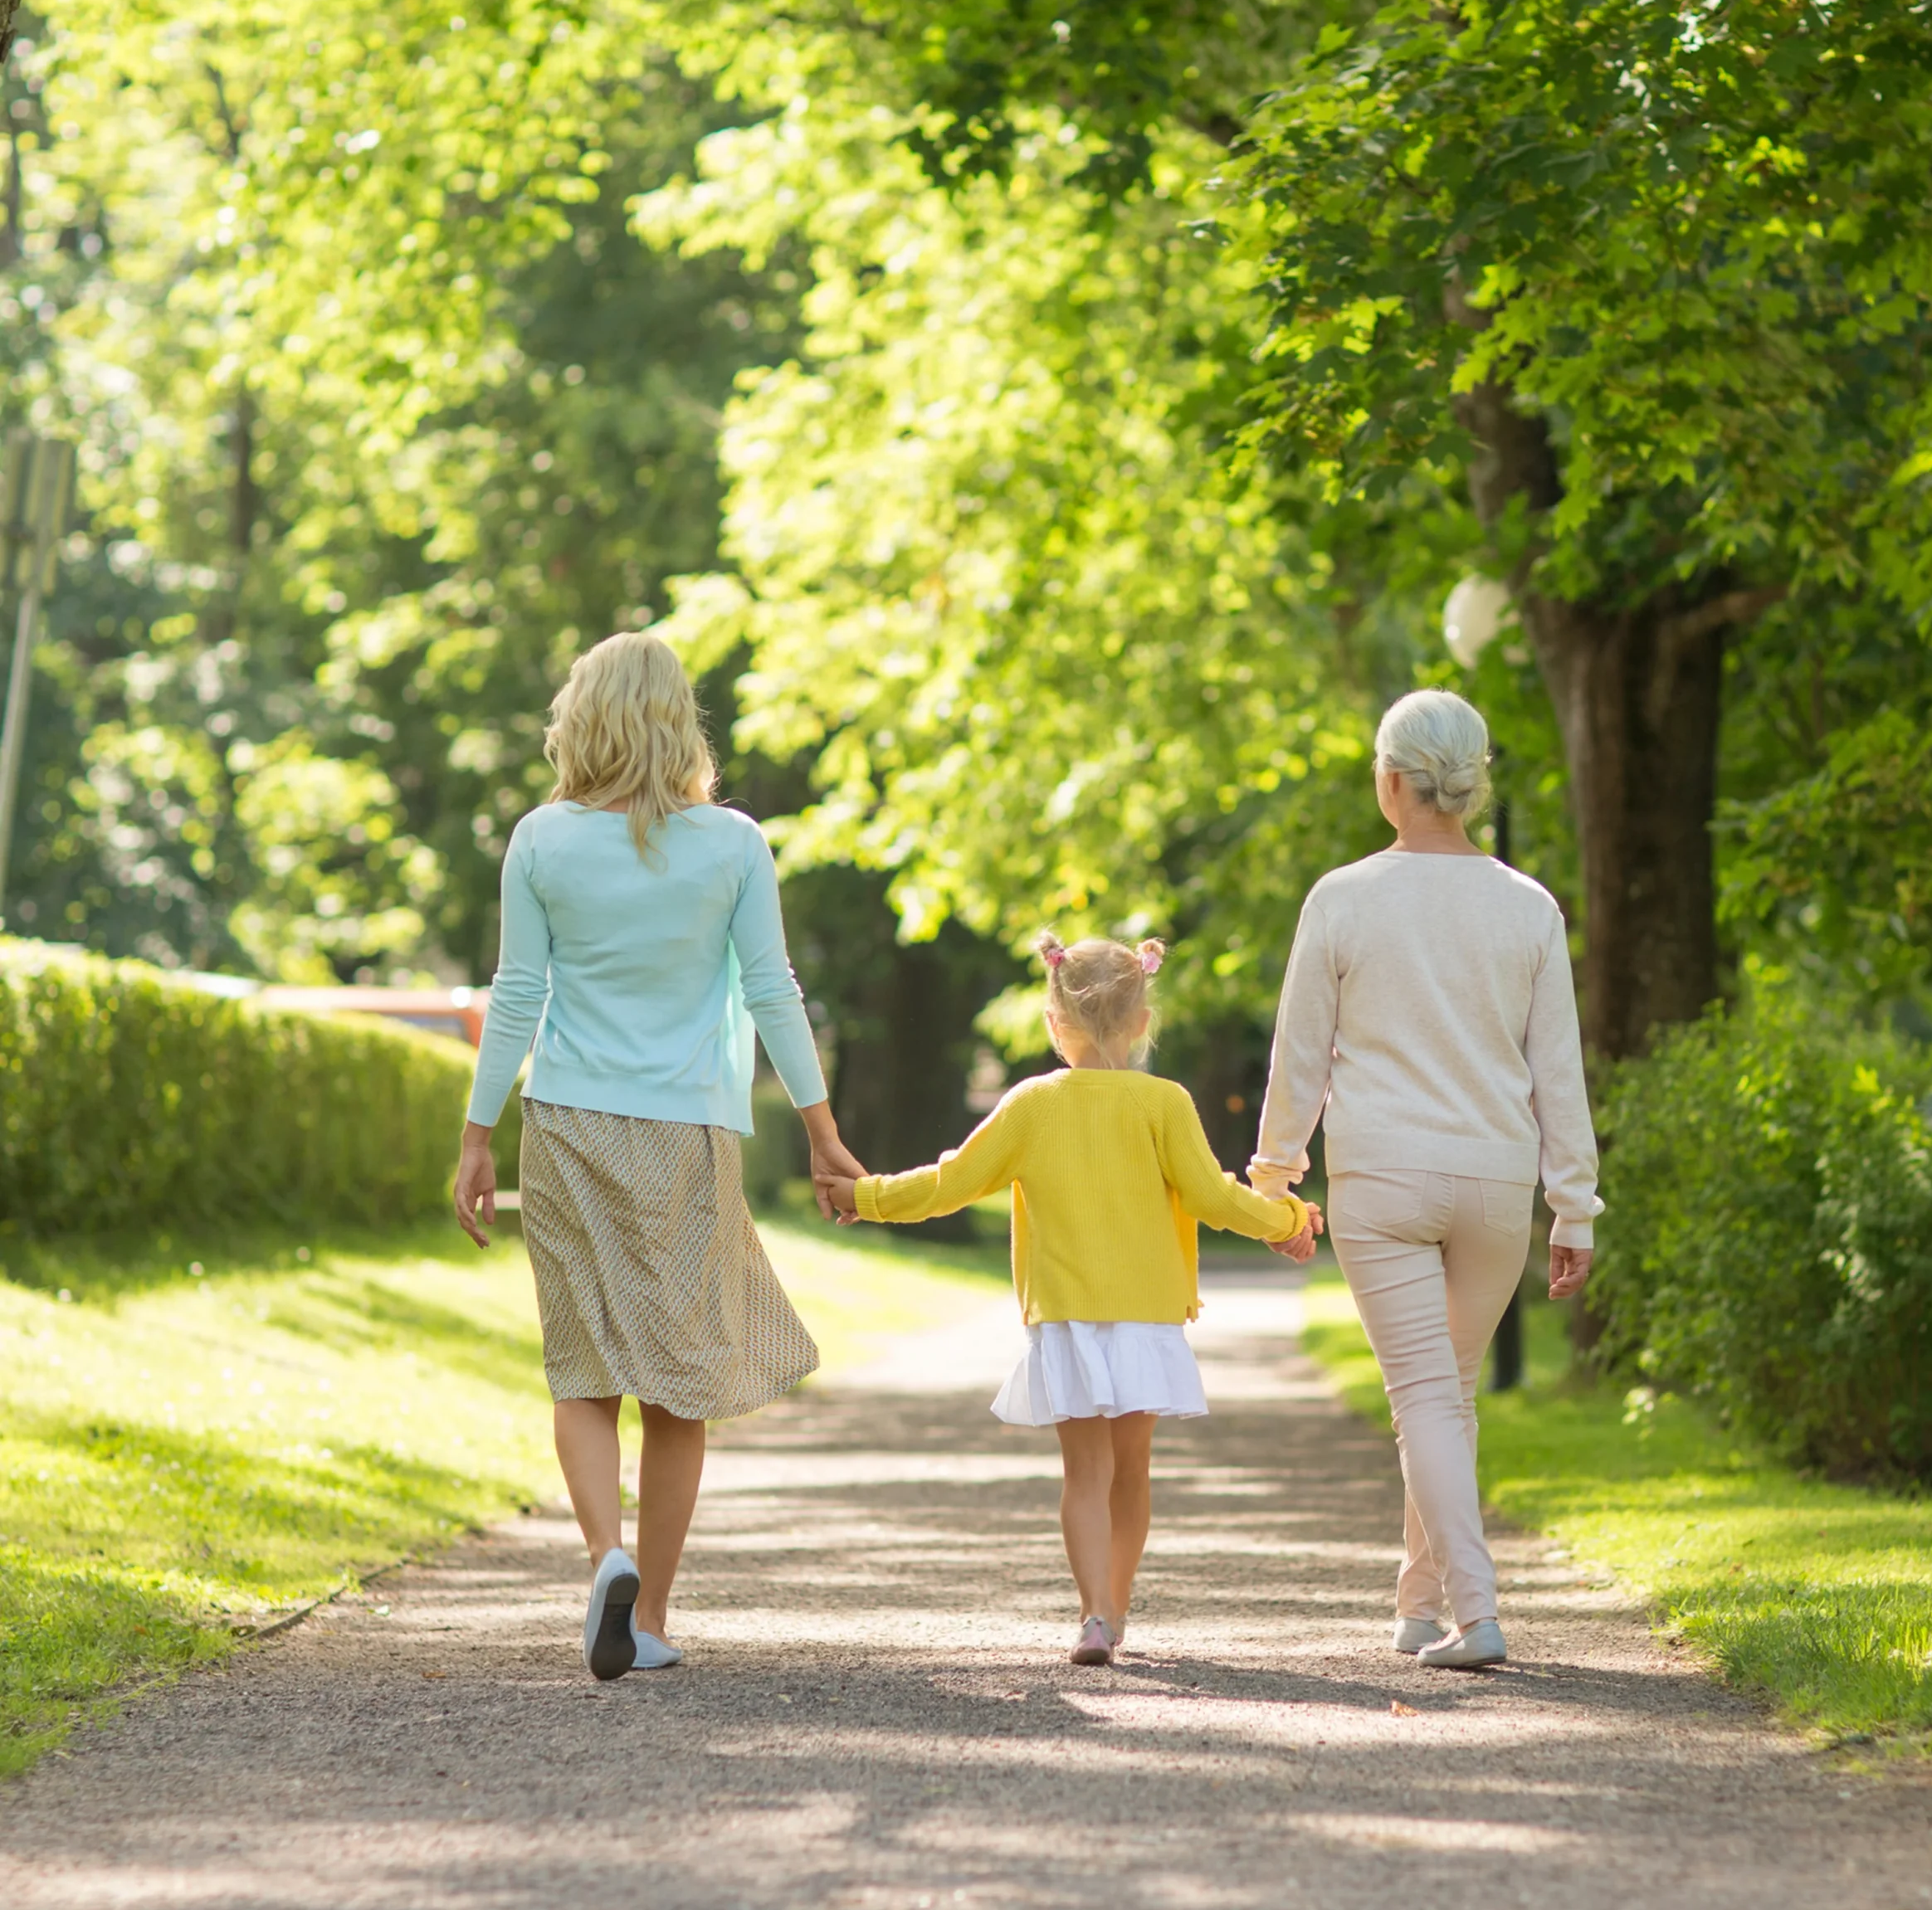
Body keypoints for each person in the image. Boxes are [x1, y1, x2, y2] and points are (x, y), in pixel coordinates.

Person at [453, 631, 865, 1682]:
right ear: (680, 719)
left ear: (579, 715)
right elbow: (773, 988)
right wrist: (822, 1133)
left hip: (567, 1125)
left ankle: (607, 1558)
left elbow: (517, 994)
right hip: (689, 1133)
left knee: (583, 1366)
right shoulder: (732, 844)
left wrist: (476, 1134)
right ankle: (650, 1619)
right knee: (680, 1388)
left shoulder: (541, 839)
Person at [820, 932, 1322, 1665]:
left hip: (1066, 1317)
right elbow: (1214, 1198)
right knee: (1133, 1470)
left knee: (1084, 1473)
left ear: (1055, 1023)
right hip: (1146, 1316)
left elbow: (947, 1182)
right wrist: (1287, 1221)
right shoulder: (1165, 1103)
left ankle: (1091, 1615)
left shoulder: (1032, 1104)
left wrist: (864, 1197)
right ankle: (1115, 1611)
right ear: (1143, 1021)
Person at [1250, 688, 1601, 1671]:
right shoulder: (1528, 907)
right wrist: (1574, 1205)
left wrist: (1274, 1180)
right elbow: (1558, 1075)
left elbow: (1300, 1059)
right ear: (1469, 783)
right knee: (1443, 1391)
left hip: (1385, 1182)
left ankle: (1477, 1616)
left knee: (1426, 1398)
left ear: (1391, 780)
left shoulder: (1343, 897)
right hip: (1497, 1188)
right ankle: (1416, 1602)